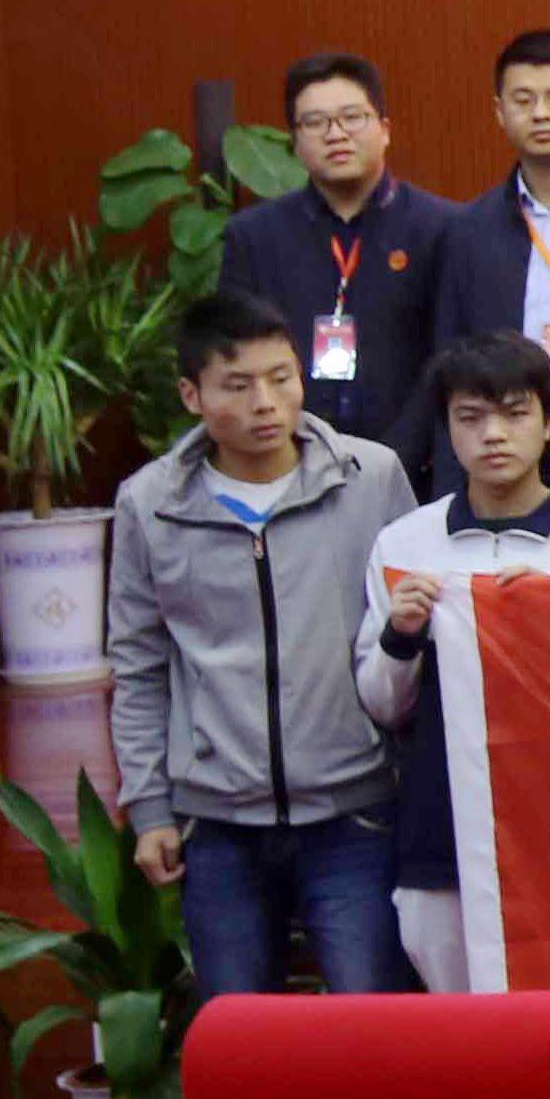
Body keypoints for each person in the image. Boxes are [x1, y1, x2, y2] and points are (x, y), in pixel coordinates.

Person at [106, 288, 419, 996]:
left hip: (354, 813)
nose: (266, 403)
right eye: (238, 385)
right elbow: (139, 665)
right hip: (218, 824)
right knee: (239, 1035)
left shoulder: (370, 478)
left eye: (282, 377)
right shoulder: (149, 504)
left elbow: (411, 635)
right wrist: (150, 809)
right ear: (192, 394)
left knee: (372, 1023)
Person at [354, 332, 550, 992]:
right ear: (447, 427)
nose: (494, 435)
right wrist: (401, 632)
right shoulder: (404, 543)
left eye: (514, 413)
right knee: (459, 1026)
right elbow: (381, 704)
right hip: (442, 827)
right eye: (471, 417)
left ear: (548, 420)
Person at [424, 30, 550, 504]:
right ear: (499, 112)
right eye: (523, 100)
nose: (540, 113)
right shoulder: (469, 229)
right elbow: (450, 357)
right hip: (506, 451)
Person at [217, 50, 453, 459]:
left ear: (384, 129)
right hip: (288, 458)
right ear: (295, 142)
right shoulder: (254, 237)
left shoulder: (441, 228)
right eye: (315, 122)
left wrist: (399, 455)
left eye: (352, 117)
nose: (336, 134)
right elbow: (237, 355)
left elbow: (450, 355)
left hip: (413, 463)